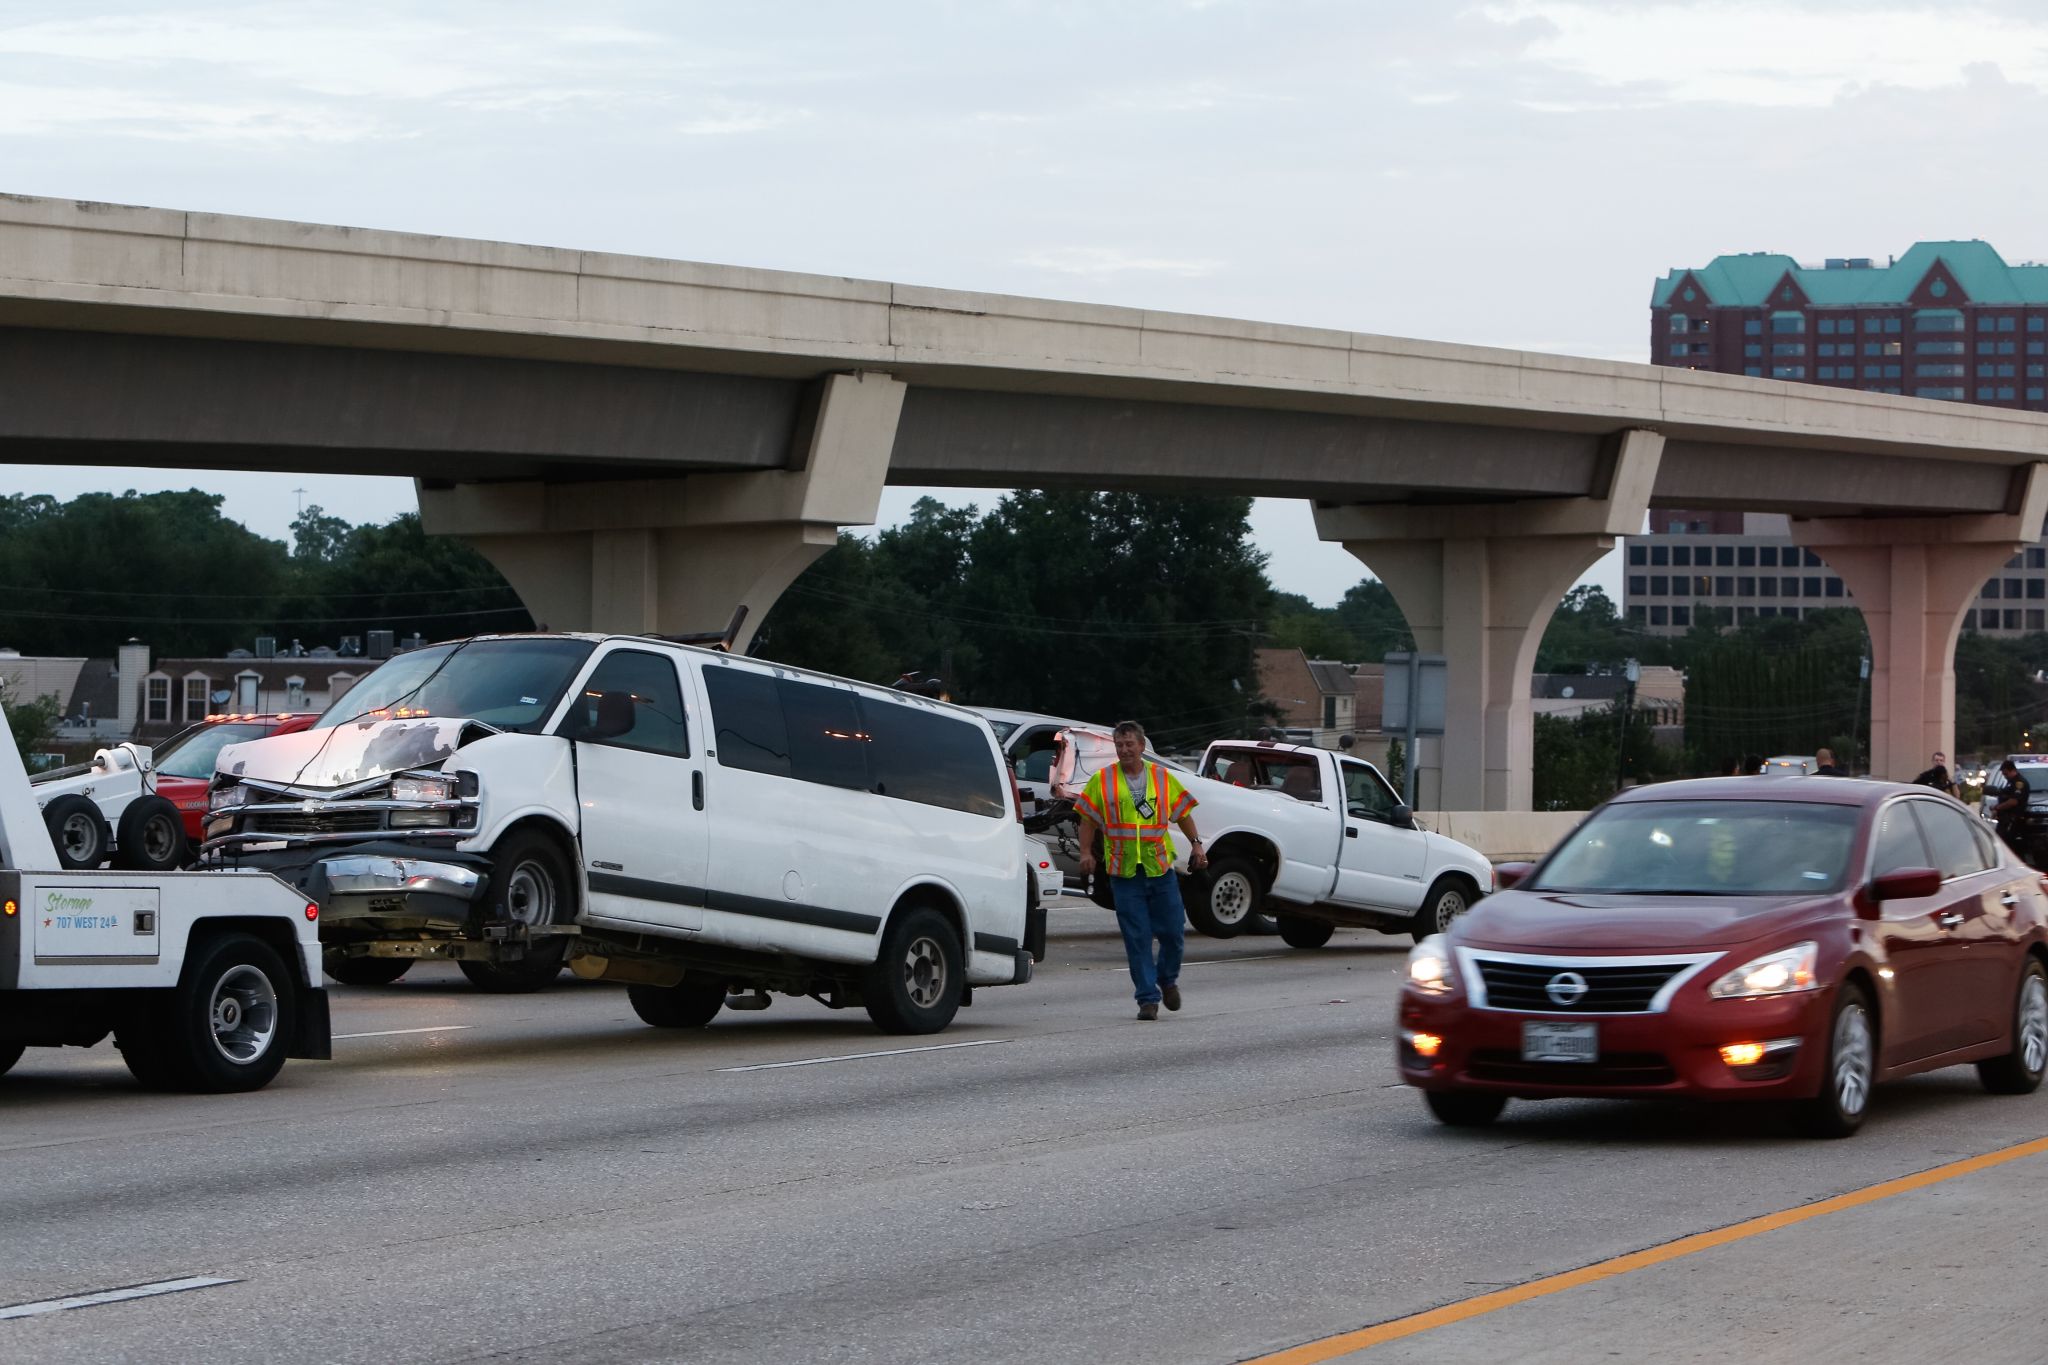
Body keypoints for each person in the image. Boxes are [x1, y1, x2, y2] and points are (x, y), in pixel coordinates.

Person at [1075, 720, 1207, 1021]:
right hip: (1124, 873)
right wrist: (1085, 852)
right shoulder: (1102, 780)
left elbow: (1182, 813)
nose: (1124, 750)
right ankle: (1147, 999)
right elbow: (1087, 819)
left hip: (1159, 869)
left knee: (1173, 934)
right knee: (1138, 938)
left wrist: (1197, 845)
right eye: (1119, 745)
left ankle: (1167, 979)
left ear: (1142, 746)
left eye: (1129, 744)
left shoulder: (1161, 778)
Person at [1993, 759, 2031, 851]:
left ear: (2013, 770)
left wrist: (1997, 807)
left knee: (2007, 845)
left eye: (2006, 774)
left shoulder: (2019, 783)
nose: (2005, 776)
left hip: (2013, 819)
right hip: (2005, 819)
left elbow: (2013, 801)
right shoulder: (2011, 783)